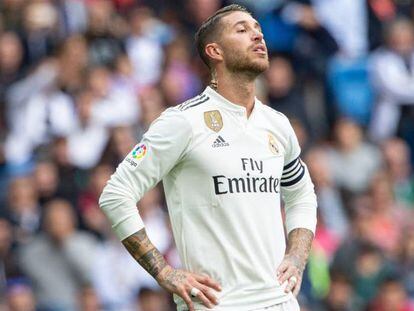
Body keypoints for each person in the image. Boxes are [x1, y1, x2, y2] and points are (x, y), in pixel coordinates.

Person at [99, 5, 317, 311]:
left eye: (258, 29)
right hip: (219, 304)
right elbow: (115, 194)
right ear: (215, 51)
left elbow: (302, 194)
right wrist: (164, 272)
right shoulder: (182, 122)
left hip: (280, 302)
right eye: (241, 30)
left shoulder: (277, 124)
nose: (257, 35)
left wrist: (297, 255)